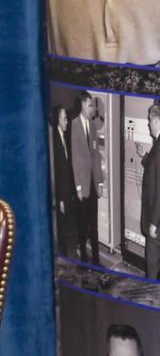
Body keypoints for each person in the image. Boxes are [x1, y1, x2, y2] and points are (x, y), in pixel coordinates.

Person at [71, 90, 103, 264]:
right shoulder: (74, 125)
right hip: (82, 185)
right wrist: (78, 188)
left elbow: (96, 154)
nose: (92, 109)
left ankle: (96, 260)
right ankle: (83, 259)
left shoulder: (92, 125)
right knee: (83, 225)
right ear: (83, 104)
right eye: (90, 105)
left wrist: (99, 182)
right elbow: (75, 159)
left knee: (94, 224)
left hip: (93, 182)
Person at [51, 104, 79, 258]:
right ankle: (61, 256)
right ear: (57, 120)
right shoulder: (55, 140)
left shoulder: (63, 136)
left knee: (66, 225)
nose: (67, 121)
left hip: (68, 191)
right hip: (62, 194)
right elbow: (57, 172)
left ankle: (65, 252)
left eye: (67, 118)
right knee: (61, 227)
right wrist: (61, 199)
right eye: (64, 118)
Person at [140, 104, 160, 278]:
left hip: (156, 221)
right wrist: (144, 157)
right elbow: (155, 168)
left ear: (156, 120)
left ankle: (151, 302)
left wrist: (153, 222)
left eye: (149, 120)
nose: (147, 124)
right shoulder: (158, 144)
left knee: (152, 265)